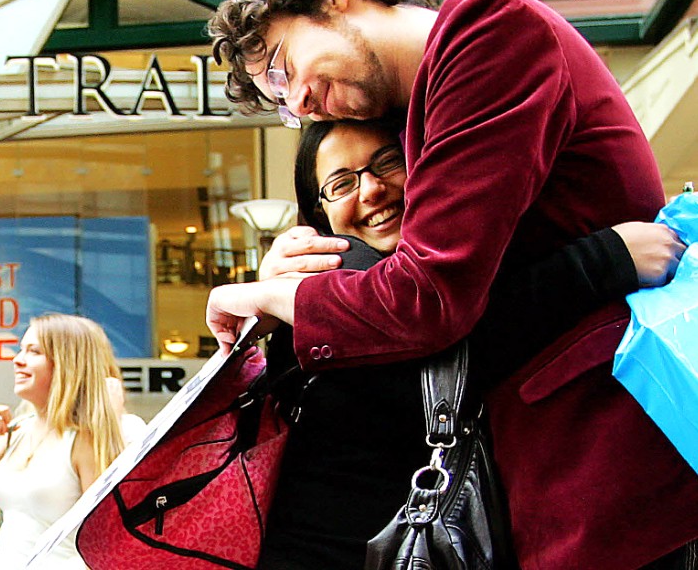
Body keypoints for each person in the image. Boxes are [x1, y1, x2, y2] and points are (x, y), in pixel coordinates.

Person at [205, 0, 698, 570]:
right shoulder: (428, 110)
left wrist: (268, 293)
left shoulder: (491, 36)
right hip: (549, 477)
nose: (296, 100)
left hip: (611, 463)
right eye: (280, 102)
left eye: (280, 66)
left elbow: (426, 300)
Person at [257, 118, 685, 567]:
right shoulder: (332, 278)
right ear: (319, 213)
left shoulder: (428, 274)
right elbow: (455, 350)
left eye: (386, 163)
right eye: (341, 183)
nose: (371, 190)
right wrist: (604, 259)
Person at [0, 314, 126, 568]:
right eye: (21, 350)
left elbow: (106, 539)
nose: (17, 360)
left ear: (66, 363)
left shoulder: (84, 439)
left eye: (34, 352)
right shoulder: (16, 432)